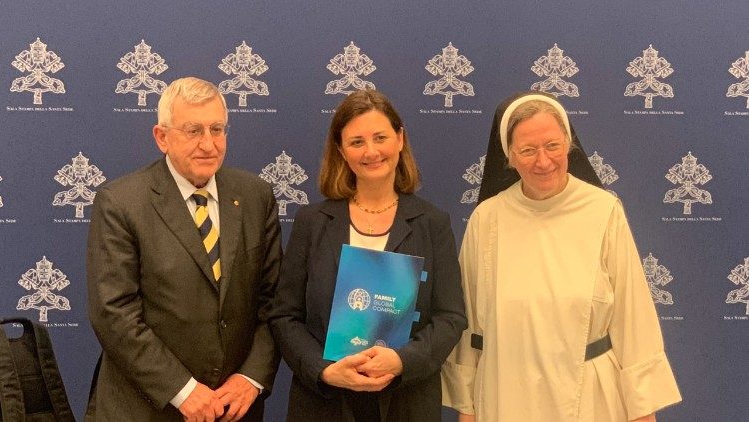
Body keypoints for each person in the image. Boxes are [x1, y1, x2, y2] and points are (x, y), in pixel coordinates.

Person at [441, 92, 682, 421]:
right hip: (506, 394)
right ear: (510, 156)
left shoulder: (603, 211)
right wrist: (467, 409)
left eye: (552, 146)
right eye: (528, 150)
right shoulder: (487, 219)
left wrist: (643, 411)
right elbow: (470, 323)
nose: (543, 162)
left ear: (568, 144)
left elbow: (633, 316)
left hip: (590, 399)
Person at [86, 77, 281, 422]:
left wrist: (251, 378)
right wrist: (183, 390)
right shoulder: (121, 203)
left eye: (217, 129)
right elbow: (114, 312)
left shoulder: (256, 196)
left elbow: (274, 300)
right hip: (147, 407)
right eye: (193, 131)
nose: (208, 144)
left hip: (233, 408)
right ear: (162, 137)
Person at [269, 89, 467, 421]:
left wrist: (401, 361)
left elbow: (450, 317)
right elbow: (284, 316)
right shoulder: (312, 222)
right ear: (341, 150)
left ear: (400, 139)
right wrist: (324, 370)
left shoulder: (432, 223)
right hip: (325, 404)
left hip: (405, 403)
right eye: (357, 142)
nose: (371, 151)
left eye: (380, 137)